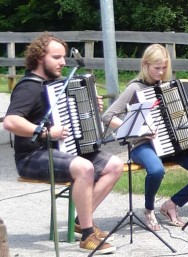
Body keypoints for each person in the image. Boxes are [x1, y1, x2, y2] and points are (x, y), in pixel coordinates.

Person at [3, 33, 123, 253]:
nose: (63, 62)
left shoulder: (57, 84)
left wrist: (89, 105)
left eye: (64, 57)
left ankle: (81, 219)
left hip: (63, 151)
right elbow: (11, 121)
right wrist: (45, 131)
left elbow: (71, 113)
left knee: (115, 165)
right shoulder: (29, 87)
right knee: (84, 168)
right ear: (40, 58)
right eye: (57, 57)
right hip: (32, 156)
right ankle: (87, 235)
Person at [101, 44, 188, 230]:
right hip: (143, 144)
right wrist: (137, 129)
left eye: (164, 68)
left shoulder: (167, 87)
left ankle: (172, 204)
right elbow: (107, 116)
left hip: (171, 144)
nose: (161, 72)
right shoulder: (135, 88)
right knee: (156, 170)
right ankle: (149, 210)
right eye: (157, 68)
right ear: (145, 65)